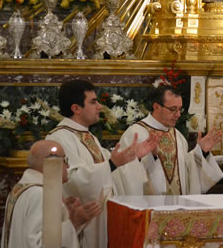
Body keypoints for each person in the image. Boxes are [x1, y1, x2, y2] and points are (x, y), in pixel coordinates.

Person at [45, 79, 158, 248]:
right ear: (76, 108)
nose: (99, 106)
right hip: (84, 223)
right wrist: (112, 164)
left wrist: (134, 157)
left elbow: (111, 172)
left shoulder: (88, 136)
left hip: (102, 219)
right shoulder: (59, 138)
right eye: (93, 102)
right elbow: (72, 180)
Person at [118, 84, 223, 195]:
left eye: (180, 109)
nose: (178, 115)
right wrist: (149, 157)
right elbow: (123, 174)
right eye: (173, 109)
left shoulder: (178, 136)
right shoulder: (135, 134)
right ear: (156, 107)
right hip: (149, 207)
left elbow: (186, 173)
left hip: (178, 208)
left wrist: (201, 151)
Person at [1, 140, 101, 248]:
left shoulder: (23, 187)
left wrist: (64, 214)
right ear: (50, 163)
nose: (67, 166)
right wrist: (73, 222)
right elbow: (40, 245)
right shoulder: (41, 195)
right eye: (65, 160)